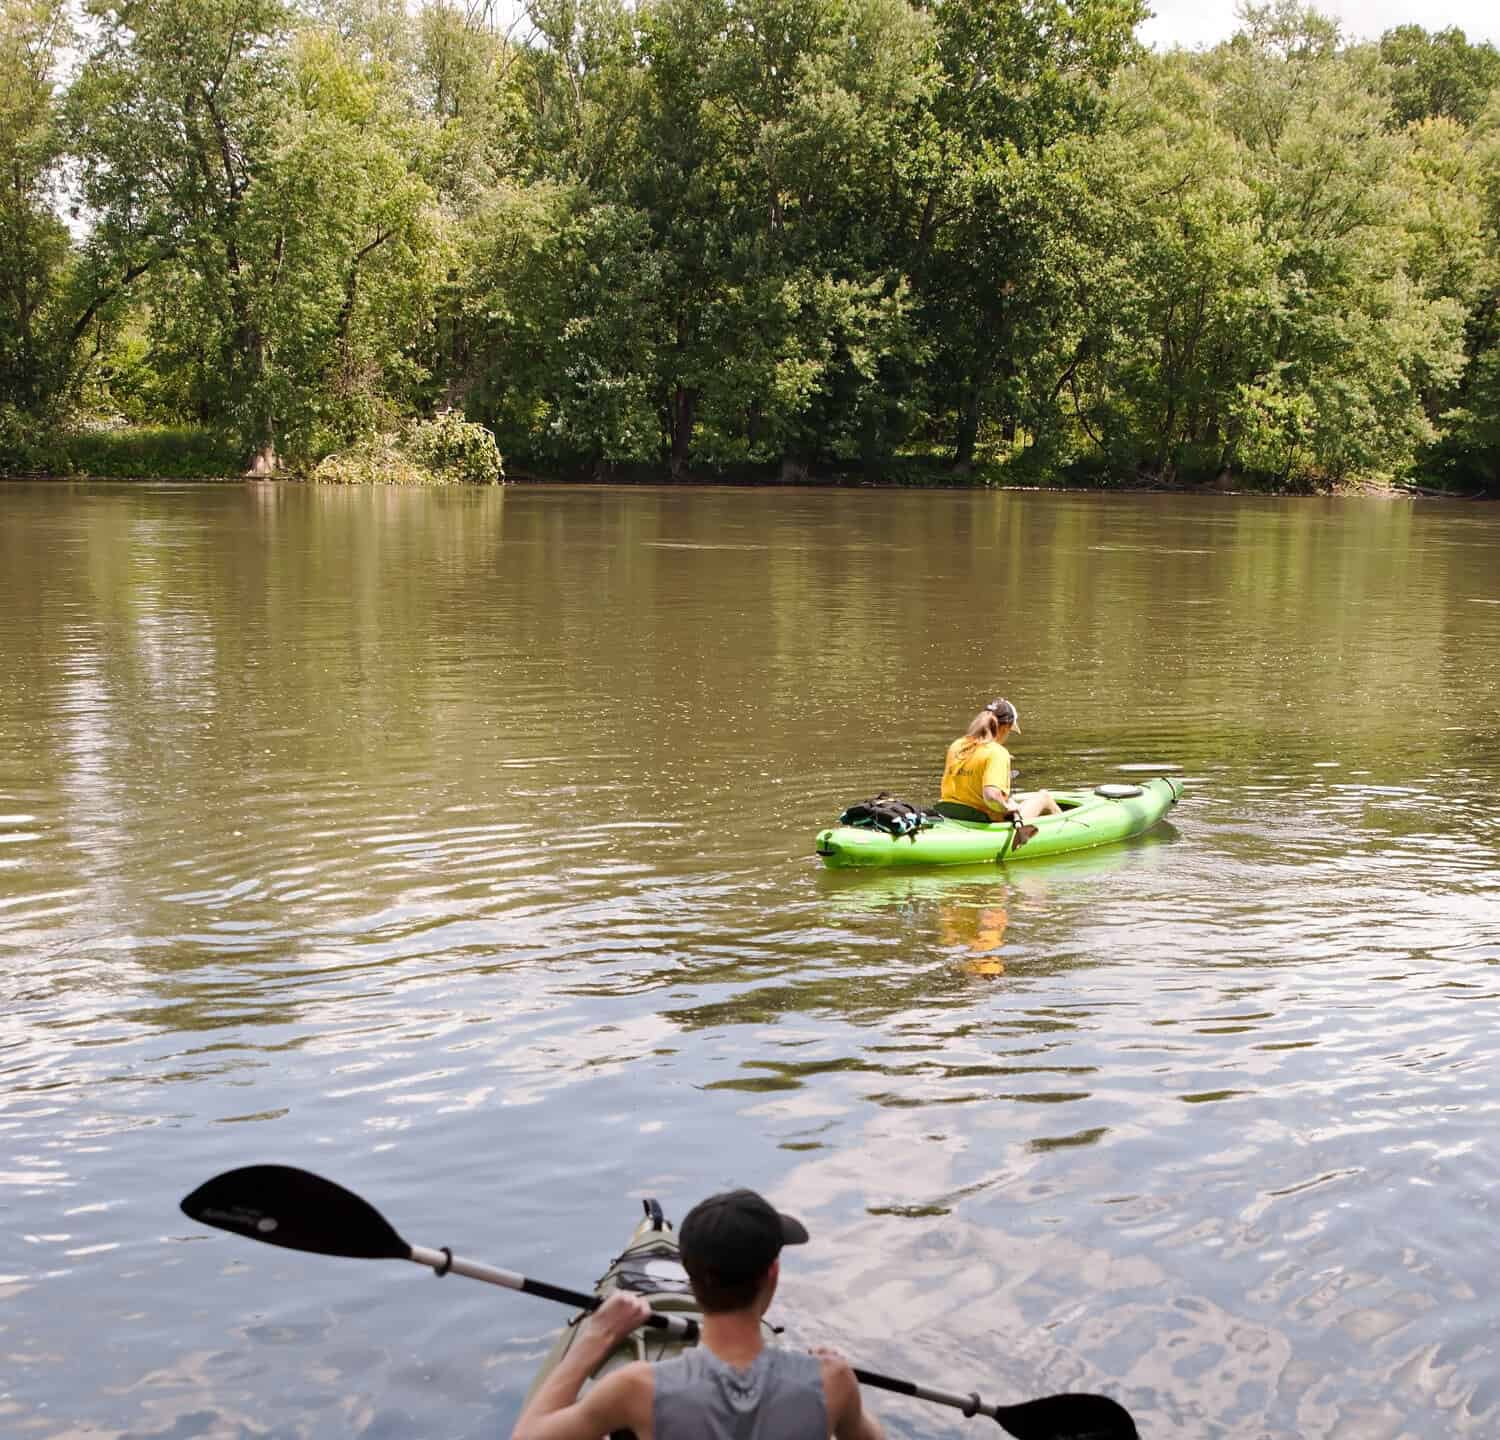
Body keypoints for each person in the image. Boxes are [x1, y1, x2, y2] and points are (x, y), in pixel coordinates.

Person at [512, 1188, 885, 1440]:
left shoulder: (636, 1388)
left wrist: (596, 1337)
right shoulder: (832, 1382)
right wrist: (832, 1371)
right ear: (773, 1273)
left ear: (689, 1277)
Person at [937, 698, 1060, 824]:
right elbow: (991, 796)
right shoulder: (996, 752)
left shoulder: (957, 745)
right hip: (984, 821)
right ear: (1006, 727)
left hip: (949, 814)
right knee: (1044, 797)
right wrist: (1007, 808)